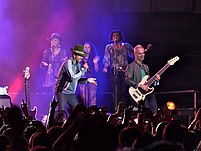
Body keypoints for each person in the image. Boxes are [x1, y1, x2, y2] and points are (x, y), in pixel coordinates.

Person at [54, 44, 97, 118]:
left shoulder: (78, 65)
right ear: (74, 55)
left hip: (71, 93)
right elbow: (73, 77)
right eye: (80, 55)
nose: (81, 57)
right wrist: (83, 70)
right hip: (62, 91)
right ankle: (57, 127)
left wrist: (87, 80)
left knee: (77, 112)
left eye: (82, 56)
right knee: (62, 113)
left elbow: (78, 79)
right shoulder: (68, 63)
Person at [125, 45, 160, 123]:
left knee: (154, 111)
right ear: (135, 54)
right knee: (146, 112)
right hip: (137, 92)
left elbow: (149, 82)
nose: (142, 55)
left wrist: (156, 81)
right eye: (139, 54)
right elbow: (127, 80)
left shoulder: (146, 67)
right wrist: (139, 85)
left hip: (147, 92)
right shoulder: (131, 66)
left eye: (143, 53)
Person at [102, 30, 134, 111]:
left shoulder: (126, 46)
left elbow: (134, 54)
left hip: (124, 71)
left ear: (120, 37)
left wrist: (144, 51)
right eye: (113, 36)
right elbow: (107, 58)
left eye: (117, 36)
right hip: (114, 70)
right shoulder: (109, 47)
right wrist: (105, 67)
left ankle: (123, 109)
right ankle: (116, 109)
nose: (115, 37)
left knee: (123, 90)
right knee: (116, 90)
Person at [40, 33, 67, 114]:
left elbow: (65, 63)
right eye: (52, 40)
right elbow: (42, 63)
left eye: (55, 40)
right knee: (50, 94)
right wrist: (47, 65)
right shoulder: (47, 51)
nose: (53, 42)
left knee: (59, 93)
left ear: (59, 42)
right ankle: (50, 112)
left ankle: (60, 112)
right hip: (50, 76)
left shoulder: (62, 51)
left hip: (59, 74)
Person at [78, 42, 100, 108]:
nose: (86, 48)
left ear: (91, 49)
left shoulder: (94, 57)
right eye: (85, 47)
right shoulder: (80, 58)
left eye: (88, 47)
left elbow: (97, 70)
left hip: (92, 79)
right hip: (83, 79)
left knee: (92, 97)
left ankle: (92, 112)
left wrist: (95, 63)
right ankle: (84, 111)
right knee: (83, 96)